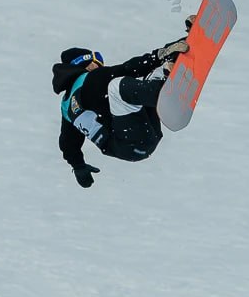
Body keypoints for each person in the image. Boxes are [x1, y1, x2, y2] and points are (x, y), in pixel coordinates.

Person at [51, 17, 196, 189]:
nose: (101, 65)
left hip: (133, 144)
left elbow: (68, 144)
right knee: (118, 85)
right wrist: (161, 53)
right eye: (96, 61)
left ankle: (166, 77)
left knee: (139, 83)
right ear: (85, 64)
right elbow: (129, 68)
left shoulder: (67, 107)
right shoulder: (91, 79)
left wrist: (79, 167)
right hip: (132, 138)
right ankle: (164, 84)